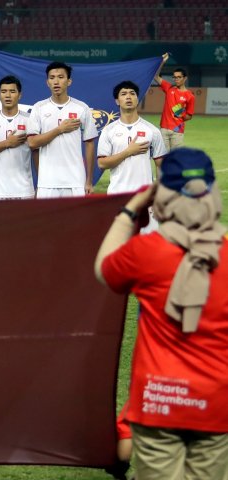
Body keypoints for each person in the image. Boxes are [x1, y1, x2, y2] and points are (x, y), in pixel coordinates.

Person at [95, 147, 228, 480]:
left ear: (160, 195)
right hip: (217, 400)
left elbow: (104, 269)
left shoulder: (146, 252)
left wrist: (129, 210)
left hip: (158, 400)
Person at [26, 61, 98, 198]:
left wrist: (88, 181)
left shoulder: (82, 108)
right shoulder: (38, 108)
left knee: (76, 220)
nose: (56, 81)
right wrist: (59, 129)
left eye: (60, 77)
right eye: (52, 78)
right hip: (47, 182)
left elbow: (89, 144)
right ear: (47, 82)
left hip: (76, 180)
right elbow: (32, 143)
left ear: (69, 81)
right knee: (48, 220)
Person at [154, 53, 195, 151]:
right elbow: (156, 76)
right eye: (174, 77)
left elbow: (189, 116)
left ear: (185, 78)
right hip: (164, 129)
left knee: (175, 159)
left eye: (179, 77)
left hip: (177, 130)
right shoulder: (169, 88)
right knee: (162, 158)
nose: (176, 79)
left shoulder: (190, 96)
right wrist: (162, 62)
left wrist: (180, 114)